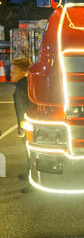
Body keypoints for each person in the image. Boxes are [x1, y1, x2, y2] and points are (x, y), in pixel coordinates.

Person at [10, 57, 32, 192]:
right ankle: (29, 173)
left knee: (30, 152)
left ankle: (32, 180)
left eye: (14, 72)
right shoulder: (27, 83)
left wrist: (21, 130)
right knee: (30, 152)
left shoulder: (21, 88)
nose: (10, 74)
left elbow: (21, 110)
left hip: (28, 126)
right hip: (32, 124)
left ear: (24, 72)